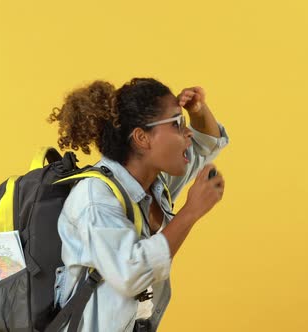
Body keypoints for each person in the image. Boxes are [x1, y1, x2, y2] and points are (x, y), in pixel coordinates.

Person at [47, 78, 229, 332]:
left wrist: (198, 111)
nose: (187, 132)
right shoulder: (95, 198)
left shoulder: (154, 182)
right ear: (142, 138)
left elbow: (204, 144)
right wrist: (190, 212)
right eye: (177, 124)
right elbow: (130, 273)